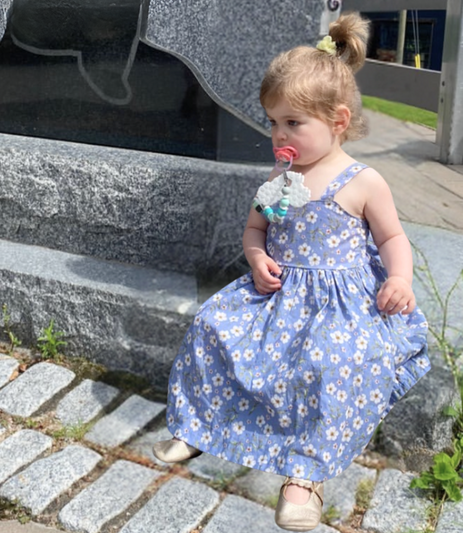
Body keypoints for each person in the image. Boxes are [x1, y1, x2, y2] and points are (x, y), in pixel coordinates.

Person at [153, 12, 430, 532]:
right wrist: (256, 258)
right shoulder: (280, 178)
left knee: (332, 367)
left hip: (339, 302)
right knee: (213, 327)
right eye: (274, 122)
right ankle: (201, 426)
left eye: (293, 123)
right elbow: (255, 230)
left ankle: (304, 476)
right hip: (280, 291)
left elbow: (393, 238)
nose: (279, 134)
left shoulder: (362, 181)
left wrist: (399, 279)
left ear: (338, 121)